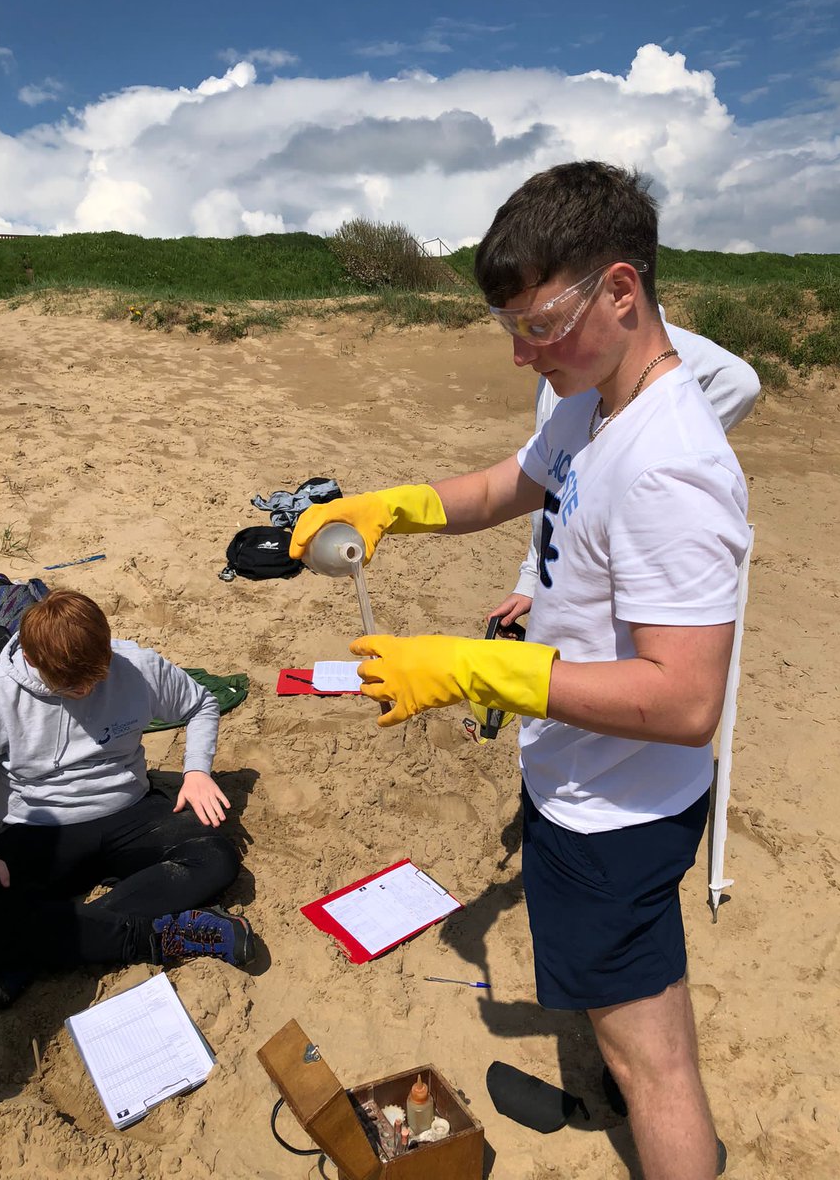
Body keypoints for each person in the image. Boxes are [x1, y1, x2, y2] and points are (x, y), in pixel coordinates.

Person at [289, 160, 750, 1180]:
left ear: (622, 292)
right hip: (575, 776)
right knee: (625, 1026)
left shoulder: (671, 465)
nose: (519, 354)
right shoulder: (590, 399)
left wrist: (472, 671)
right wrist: (394, 505)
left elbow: (685, 700)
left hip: (617, 812)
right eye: (509, 327)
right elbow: (515, 481)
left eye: (539, 325)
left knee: (655, 1064)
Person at [0, 590, 253, 1008]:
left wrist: (196, 771)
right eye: (69, 685)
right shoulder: (0, 693)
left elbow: (201, 703)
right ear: (30, 657)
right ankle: (156, 938)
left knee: (215, 856)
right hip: (39, 826)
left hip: (130, 809)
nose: (84, 691)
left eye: (94, 679)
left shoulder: (134, 664)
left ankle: (37, 946)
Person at [493, 325, 759, 625]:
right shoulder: (568, 389)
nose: (522, 355)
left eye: (542, 324)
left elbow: (740, 382)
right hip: (559, 588)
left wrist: (648, 450)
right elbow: (554, 492)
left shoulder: (674, 477)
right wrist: (531, 577)